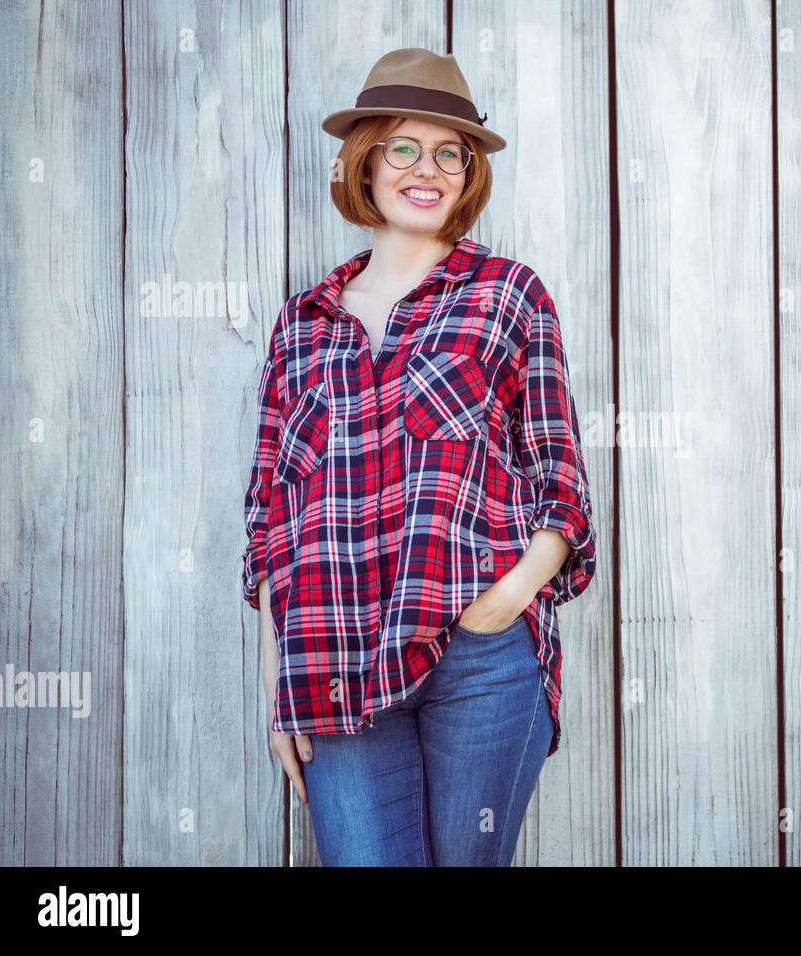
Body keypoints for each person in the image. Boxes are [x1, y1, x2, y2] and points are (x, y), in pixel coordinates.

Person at [240, 48, 597, 866]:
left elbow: (560, 480)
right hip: (330, 661)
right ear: (365, 162)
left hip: (478, 654)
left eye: (449, 152)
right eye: (404, 147)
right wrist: (276, 682)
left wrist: (504, 601)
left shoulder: (509, 295)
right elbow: (270, 514)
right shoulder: (302, 325)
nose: (426, 169)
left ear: (468, 173)